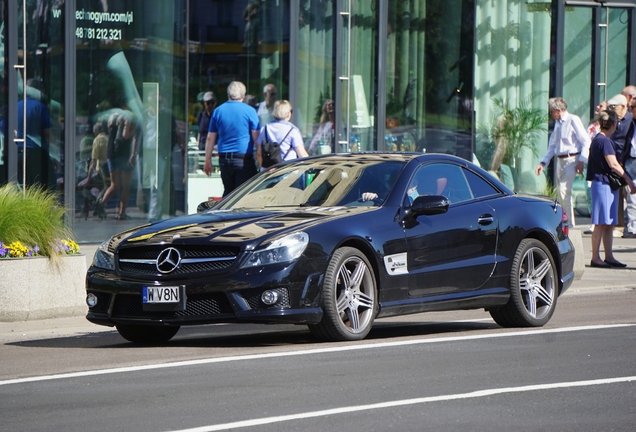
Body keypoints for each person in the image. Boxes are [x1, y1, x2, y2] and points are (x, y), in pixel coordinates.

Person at [586, 110, 636, 268]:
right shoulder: (604, 141)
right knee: (601, 222)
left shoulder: (599, 139)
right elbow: (613, 164)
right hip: (603, 184)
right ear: (613, 124)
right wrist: (629, 180)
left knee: (608, 223)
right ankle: (596, 257)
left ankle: (608, 256)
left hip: (604, 183)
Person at [535, 97, 591, 227]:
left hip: (572, 158)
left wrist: (582, 160)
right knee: (561, 193)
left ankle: (569, 224)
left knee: (564, 190)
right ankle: (565, 221)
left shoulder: (573, 120)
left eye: (551, 111)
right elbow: (553, 146)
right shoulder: (559, 123)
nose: (551, 114)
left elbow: (585, 141)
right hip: (560, 161)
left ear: (558, 110)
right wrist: (543, 163)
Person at [204, 81, 259, 197]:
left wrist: (207, 160)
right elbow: (256, 137)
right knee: (243, 196)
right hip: (243, 159)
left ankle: (225, 213)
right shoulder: (250, 111)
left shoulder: (218, 111)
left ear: (228, 94)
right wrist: (260, 156)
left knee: (229, 194)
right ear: (243, 96)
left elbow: (210, 138)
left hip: (224, 160)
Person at [98, 107, 138, 220]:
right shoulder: (128, 117)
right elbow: (126, 135)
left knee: (114, 185)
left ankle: (100, 204)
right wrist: (134, 131)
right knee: (126, 186)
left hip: (111, 152)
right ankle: (121, 213)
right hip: (124, 154)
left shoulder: (111, 117)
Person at [16, 78, 55, 190]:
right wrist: (55, 156)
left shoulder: (16, 106)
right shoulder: (41, 107)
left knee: (25, 188)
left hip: (18, 152)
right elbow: (48, 134)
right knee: (45, 188)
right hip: (36, 153)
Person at [256, 100, 308, 170]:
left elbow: (259, 154)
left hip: (268, 172)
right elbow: (302, 155)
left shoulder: (265, 129)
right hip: (287, 171)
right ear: (288, 114)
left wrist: (262, 169)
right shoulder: (292, 130)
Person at [607, 94, 632, 233]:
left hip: (627, 161)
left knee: (629, 194)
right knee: (616, 193)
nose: (612, 109)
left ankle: (630, 226)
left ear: (623, 107)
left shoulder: (630, 120)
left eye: (614, 106)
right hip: (614, 161)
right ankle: (619, 226)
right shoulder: (613, 120)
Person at [78, 121, 110, 219]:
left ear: (95, 132)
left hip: (101, 174)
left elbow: (93, 161)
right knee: (101, 188)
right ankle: (98, 206)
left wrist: (88, 178)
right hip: (110, 173)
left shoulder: (97, 140)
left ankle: (96, 204)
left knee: (81, 186)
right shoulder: (108, 138)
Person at [621, 93, 636, 238]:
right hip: (631, 161)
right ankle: (632, 228)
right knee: (632, 195)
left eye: (632, 107)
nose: (630, 110)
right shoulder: (631, 123)